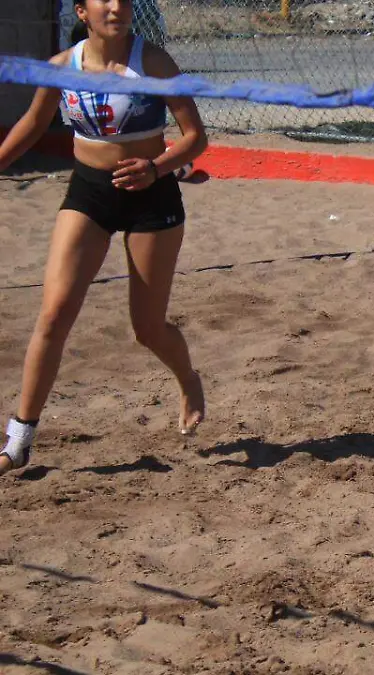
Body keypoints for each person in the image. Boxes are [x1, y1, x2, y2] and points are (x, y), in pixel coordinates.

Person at [0, 0, 208, 474]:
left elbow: (195, 137)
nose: (116, 6)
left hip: (151, 195)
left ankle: (188, 379)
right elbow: (32, 124)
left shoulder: (153, 62)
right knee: (53, 314)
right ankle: (19, 441)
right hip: (89, 193)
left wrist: (157, 167)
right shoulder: (62, 66)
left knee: (147, 329)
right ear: (81, 10)